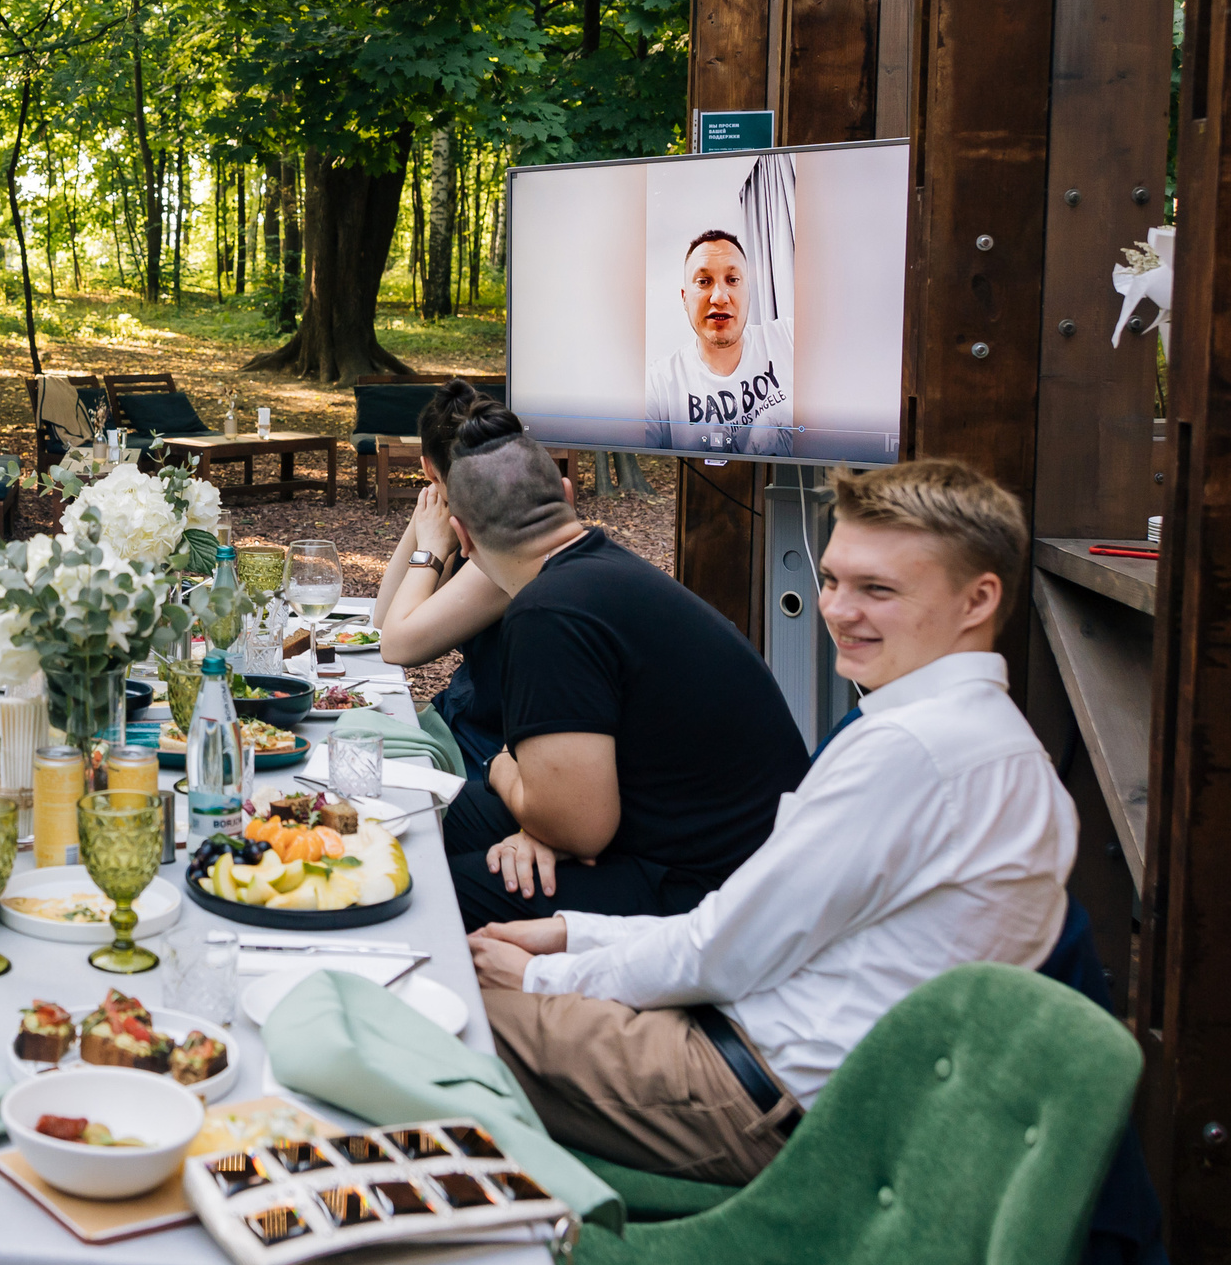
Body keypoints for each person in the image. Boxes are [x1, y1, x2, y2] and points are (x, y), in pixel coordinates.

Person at [469, 458, 1074, 1185]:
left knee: (434, 1013)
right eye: (834, 579)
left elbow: (727, 950)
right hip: (785, 1062)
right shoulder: (989, 740)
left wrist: (544, 975)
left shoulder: (914, 749)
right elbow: (755, 928)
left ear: (978, 600)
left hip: (763, 1098)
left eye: (877, 589)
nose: (838, 609)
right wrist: (575, 931)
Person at [439, 405, 808, 928]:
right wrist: (540, 817)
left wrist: (503, 771)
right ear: (567, 496)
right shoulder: (603, 571)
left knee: (433, 890)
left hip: (718, 892)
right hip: (705, 839)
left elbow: (580, 830)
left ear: (464, 536)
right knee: (442, 816)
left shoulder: (546, 612)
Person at [369, 379, 518, 777]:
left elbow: (396, 645)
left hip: (484, 748)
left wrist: (432, 550)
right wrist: (425, 519)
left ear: (426, 465)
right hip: (461, 717)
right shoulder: (485, 519)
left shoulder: (506, 549)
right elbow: (381, 620)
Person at [643, 230, 795, 456]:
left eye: (733, 280)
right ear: (685, 298)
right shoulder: (658, 385)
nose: (720, 297)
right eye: (704, 282)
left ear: (748, 291)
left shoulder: (789, 337)